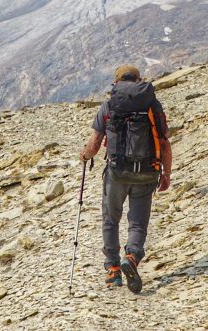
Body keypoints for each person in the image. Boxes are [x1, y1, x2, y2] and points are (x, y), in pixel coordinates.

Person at [79, 65, 172, 294]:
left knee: (111, 219)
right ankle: (131, 257)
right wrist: (166, 174)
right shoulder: (152, 104)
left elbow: (94, 145)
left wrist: (84, 156)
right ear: (139, 80)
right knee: (138, 222)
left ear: (117, 82)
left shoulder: (110, 104)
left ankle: (112, 270)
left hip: (117, 173)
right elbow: (164, 142)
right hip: (147, 172)